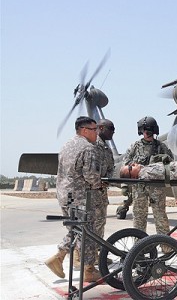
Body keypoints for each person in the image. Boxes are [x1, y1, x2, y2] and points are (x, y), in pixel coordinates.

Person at [45, 116, 103, 282]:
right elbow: (91, 176)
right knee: (87, 231)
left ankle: (58, 257)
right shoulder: (88, 148)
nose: (97, 133)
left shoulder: (67, 145)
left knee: (75, 229)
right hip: (80, 197)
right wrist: (100, 185)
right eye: (94, 129)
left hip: (66, 195)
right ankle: (89, 271)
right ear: (84, 130)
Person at [73, 119, 116, 269]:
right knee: (87, 226)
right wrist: (98, 181)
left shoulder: (107, 149)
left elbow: (111, 167)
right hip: (89, 193)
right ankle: (79, 256)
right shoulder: (90, 146)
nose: (113, 132)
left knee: (99, 224)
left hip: (101, 193)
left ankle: (96, 255)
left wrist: (106, 180)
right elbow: (87, 171)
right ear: (101, 128)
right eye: (111, 129)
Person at [123, 116, 173, 235]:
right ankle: (139, 246)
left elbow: (171, 162)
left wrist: (161, 159)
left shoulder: (161, 146)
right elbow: (126, 163)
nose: (147, 133)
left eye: (150, 131)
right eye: (145, 131)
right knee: (139, 217)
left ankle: (166, 246)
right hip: (139, 187)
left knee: (160, 216)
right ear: (141, 131)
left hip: (156, 186)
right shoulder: (135, 146)